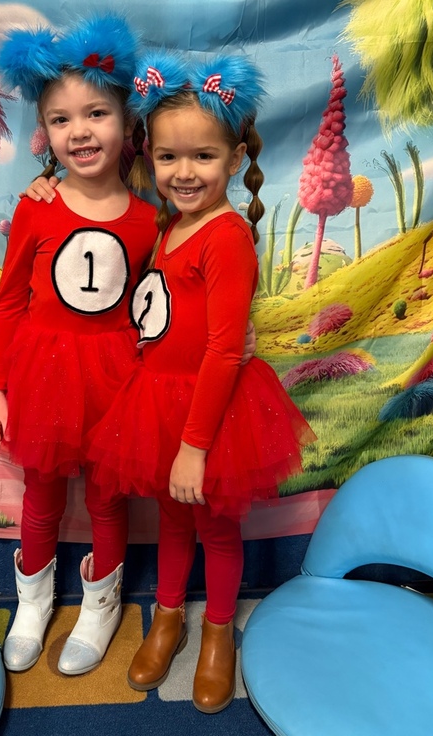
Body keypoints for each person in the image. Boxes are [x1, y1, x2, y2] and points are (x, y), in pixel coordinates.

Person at [0, 14, 259, 678]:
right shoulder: (36, 206)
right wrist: (0, 385)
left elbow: (176, 308)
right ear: (45, 134)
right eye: (61, 120)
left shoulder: (153, 217)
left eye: (96, 113)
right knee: (41, 493)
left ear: (130, 127)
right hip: (42, 376)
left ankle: (102, 605)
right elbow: (9, 301)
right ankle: (31, 602)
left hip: (116, 380)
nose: (80, 131)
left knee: (107, 497)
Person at [83, 50, 316, 713]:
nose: (183, 173)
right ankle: (167, 617)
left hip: (209, 416)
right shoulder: (171, 228)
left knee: (214, 526)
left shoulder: (226, 235)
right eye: (168, 158)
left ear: (235, 158)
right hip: (159, 401)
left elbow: (220, 349)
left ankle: (217, 636)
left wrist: (194, 445)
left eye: (203, 158)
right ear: (148, 157)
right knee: (171, 523)